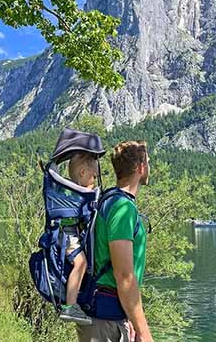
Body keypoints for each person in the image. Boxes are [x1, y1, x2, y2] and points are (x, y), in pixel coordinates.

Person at [78, 141, 153, 342]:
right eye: (148, 162)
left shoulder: (109, 199)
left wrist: (129, 315)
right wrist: (144, 331)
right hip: (105, 320)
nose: (150, 167)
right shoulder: (122, 208)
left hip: (109, 314)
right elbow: (124, 276)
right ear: (140, 167)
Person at [60, 152, 99, 325]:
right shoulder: (74, 194)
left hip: (71, 235)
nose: (95, 180)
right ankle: (70, 306)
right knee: (80, 263)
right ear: (82, 173)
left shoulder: (70, 192)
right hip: (68, 236)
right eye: (94, 176)